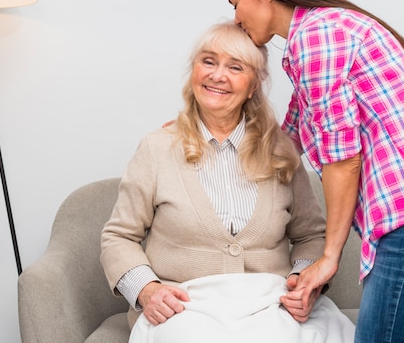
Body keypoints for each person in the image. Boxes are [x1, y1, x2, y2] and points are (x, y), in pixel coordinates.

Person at [100, 22, 353, 342]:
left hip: (271, 305)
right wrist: (148, 291)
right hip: (185, 310)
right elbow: (119, 237)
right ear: (193, 71)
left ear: (253, 86)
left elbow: (311, 235)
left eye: (235, 66)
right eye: (208, 61)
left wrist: (303, 283)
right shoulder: (156, 148)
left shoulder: (281, 151)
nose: (217, 75)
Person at [222, 0, 404, 343]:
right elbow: (289, 139)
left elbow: (343, 160)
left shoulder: (318, 37)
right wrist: (194, 130)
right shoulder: (322, 31)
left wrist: (328, 258)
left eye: (235, 2)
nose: (235, 17)